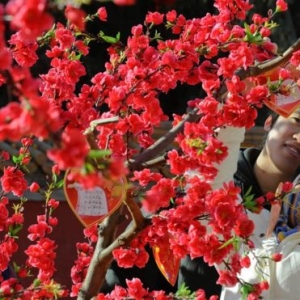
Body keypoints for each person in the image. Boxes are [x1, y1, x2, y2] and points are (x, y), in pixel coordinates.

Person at [100, 108, 300, 298]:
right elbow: (124, 279)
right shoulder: (189, 199)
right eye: (297, 121)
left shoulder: (293, 226)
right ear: (268, 122)